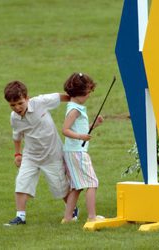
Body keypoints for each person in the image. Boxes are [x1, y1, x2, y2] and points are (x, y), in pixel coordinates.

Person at [3, 80, 78, 226]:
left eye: (20, 103)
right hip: (31, 156)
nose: (17, 108)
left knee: (60, 188)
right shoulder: (14, 118)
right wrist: (17, 155)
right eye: (12, 105)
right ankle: (20, 216)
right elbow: (17, 136)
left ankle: (72, 210)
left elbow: (61, 97)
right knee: (21, 183)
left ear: (27, 98)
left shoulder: (40, 102)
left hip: (52, 155)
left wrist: (77, 101)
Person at [61, 72, 104, 223]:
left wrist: (94, 125)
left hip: (73, 151)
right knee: (92, 183)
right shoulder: (74, 110)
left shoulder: (74, 107)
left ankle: (67, 217)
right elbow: (65, 129)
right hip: (77, 152)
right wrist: (81, 137)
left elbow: (80, 129)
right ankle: (92, 217)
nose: (89, 96)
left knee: (77, 186)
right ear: (79, 93)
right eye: (88, 93)